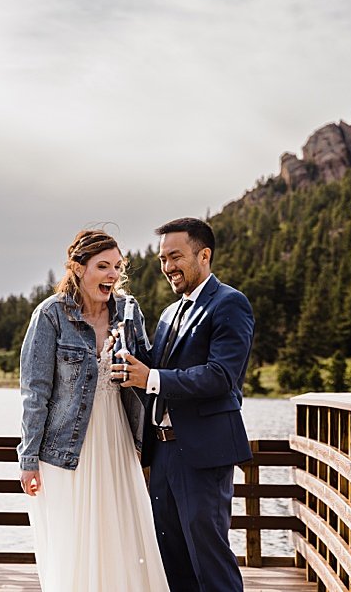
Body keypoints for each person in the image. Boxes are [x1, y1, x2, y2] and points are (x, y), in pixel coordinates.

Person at [17, 229, 168, 591]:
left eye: (117, 266)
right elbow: (35, 392)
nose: (113, 275)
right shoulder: (50, 315)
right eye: (103, 266)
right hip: (66, 449)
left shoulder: (129, 312)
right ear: (78, 268)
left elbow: (146, 370)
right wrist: (29, 458)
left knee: (122, 533)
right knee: (74, 540)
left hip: (118, 440)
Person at [114, 217, 255, 592]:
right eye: (162, 259)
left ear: (204, 255)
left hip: (203, 452)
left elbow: (221, 376)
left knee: (209, 560)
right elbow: (153, 369)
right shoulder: (169, 313)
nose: (167, 267)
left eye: (175, 256)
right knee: (172, 560)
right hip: (162, 454)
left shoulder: (230, 303)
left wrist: (152, 378)